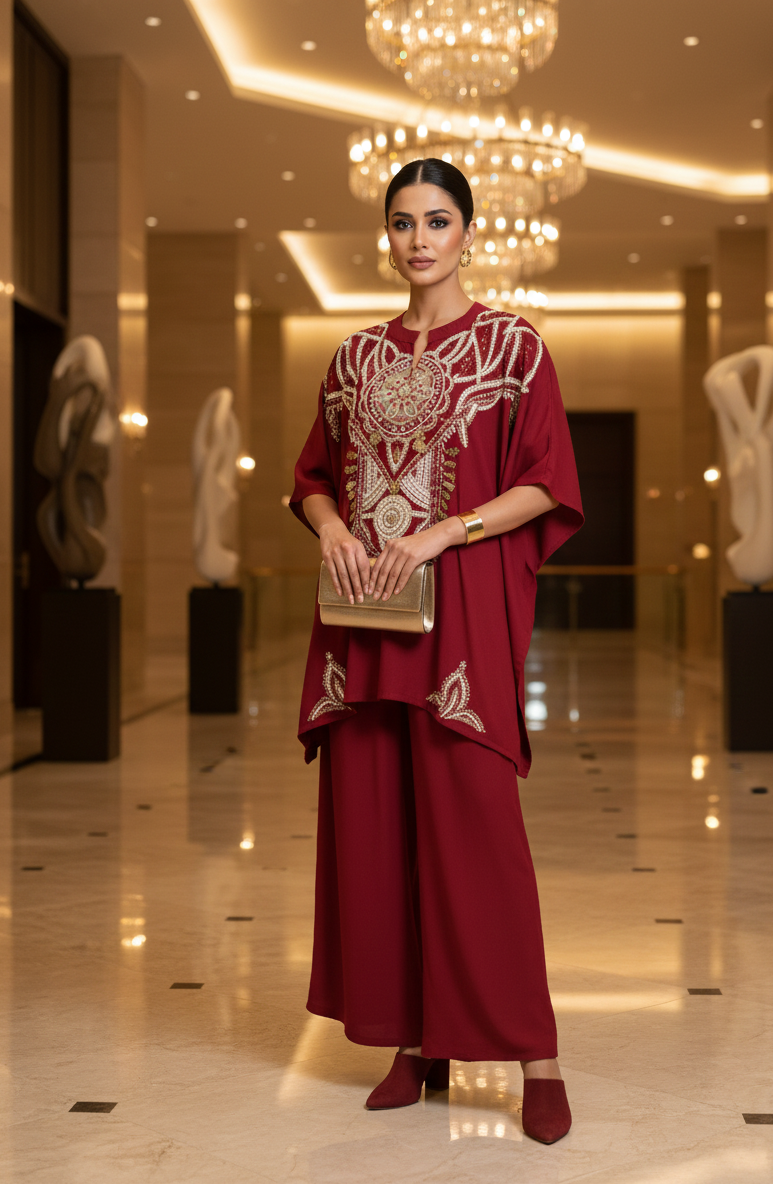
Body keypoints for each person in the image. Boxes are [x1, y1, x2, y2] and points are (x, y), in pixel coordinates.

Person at [289, 157, 583, 1145]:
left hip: (460, 621)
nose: (419, 239)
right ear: (388, 234)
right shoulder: (352, 357)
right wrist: (328, 524)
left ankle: (534, 1052)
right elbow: (313, 475)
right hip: (364, 620)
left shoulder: (512, 348)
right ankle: (413, 1043)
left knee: (476, 836)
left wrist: (442, 530)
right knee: (378, 836)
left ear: (468, 232)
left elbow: (546, 484)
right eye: (403, 221)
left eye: (438, 220)